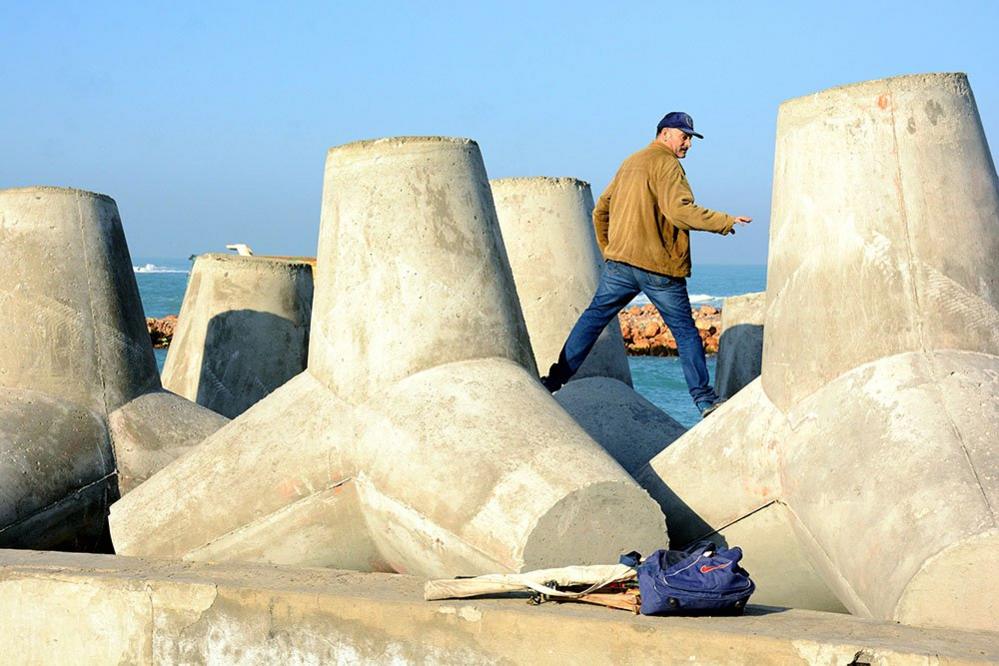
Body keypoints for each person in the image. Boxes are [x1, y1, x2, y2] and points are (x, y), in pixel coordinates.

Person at [541, 112, 751, 417]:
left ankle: (554, 379)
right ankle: (704, 399)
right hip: (659, 268)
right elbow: (680, 212)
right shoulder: (667, 165)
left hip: (620, 264)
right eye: (684, 136)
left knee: (593, 320)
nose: (689, 144)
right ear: (665, 133)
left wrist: (611, 251)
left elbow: (601, 210)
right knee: (685, 333)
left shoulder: (631, 162)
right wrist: (724, 221)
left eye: (691, 138)